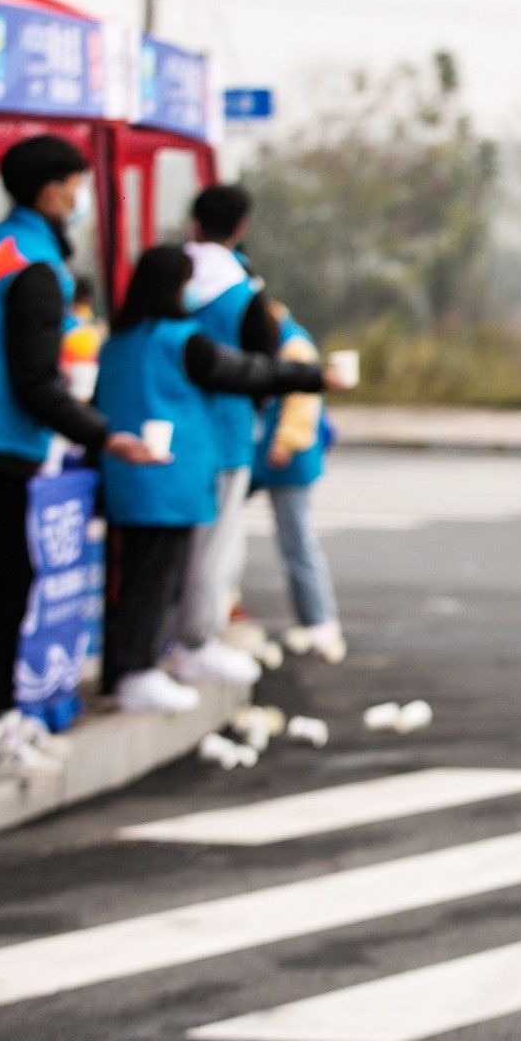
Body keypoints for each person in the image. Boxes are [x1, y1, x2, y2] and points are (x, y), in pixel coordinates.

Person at [0, 135, 163, 779]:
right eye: (74, 183)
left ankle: (0, 716)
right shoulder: (31, 264)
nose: (79, 196)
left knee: (4, 583)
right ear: (50, 190)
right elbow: (34, 380)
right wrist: (106, 435)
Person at [94, 248, 338, 712]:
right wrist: (314, 378)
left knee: (136, 576)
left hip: (127, 478)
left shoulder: (117, 341)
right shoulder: (185, 342)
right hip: (170, 480)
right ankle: (142, 670)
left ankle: (131, 667)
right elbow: (248, 371)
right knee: (160, 579)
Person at [173, 184, 282, 685]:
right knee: (213, 545)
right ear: (241, 227)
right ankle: (196, 643)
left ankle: (177, 640)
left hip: (164, 424)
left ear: (194, 222)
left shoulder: (168, 274)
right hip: (224, 429)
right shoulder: (243, 290)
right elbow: (265, 366)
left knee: (172, 546)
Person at [251, 300, 346, 663]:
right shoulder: (281, 338)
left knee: (297, 542)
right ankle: (313, 621)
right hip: (269, 454)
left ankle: (320, 621)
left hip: (288, 457)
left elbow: (302, 402)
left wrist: (284, 443)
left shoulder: (294, 344)